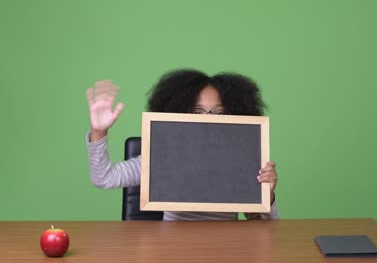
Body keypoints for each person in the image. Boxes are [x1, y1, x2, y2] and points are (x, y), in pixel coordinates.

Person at [86, 69, 279, 220]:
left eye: (219, 113)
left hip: (227, 247)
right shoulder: (160, 158)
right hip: (172, 248)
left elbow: (264, 225)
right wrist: (99, 131)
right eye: (197, 112)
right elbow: (105, 178)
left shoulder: (241, 160)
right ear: (178, 112)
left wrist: (267, 195)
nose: (207, 120)